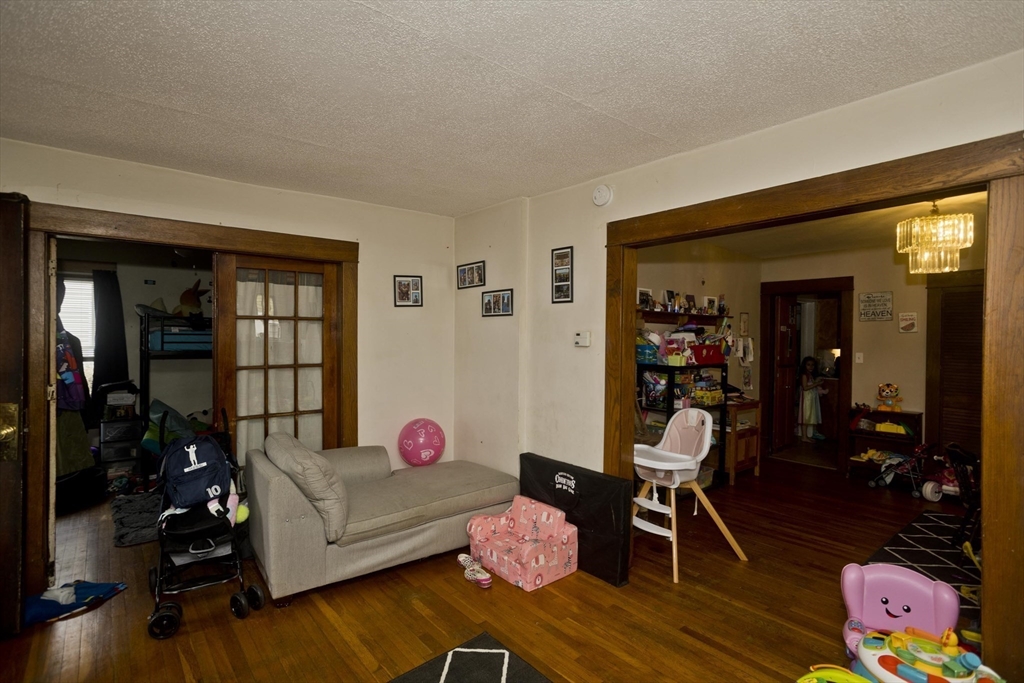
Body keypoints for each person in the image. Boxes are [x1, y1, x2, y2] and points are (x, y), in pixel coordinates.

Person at [797, 356, 828, 443]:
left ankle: (806, 436)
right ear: (804, 366)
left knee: (808, 416)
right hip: (806, 398)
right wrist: (816, 384)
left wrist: (816, 382)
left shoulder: (809, 375)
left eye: (812, 365)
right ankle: (804, 436)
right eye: (808, 365)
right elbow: (805, 387)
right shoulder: (804, 375)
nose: (810, 367)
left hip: (810, 398)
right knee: (805, 417)